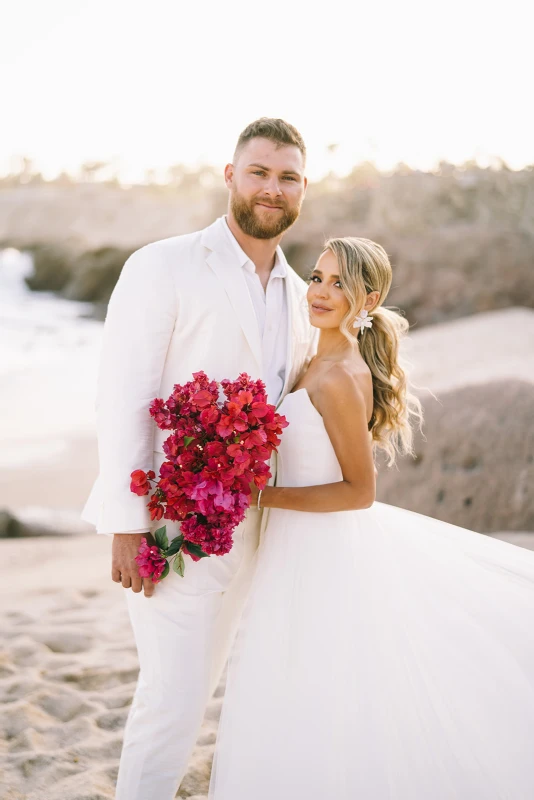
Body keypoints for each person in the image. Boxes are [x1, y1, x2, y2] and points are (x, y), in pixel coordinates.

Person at [208, 237, 534, 800]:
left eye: (340, 283)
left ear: (369, 297)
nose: (321, 292)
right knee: (298, 679)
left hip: (324, 546)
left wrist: (258, 496)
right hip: (299, 541)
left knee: (324, 679)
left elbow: (359, 491)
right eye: (317, 277)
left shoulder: (339, 377)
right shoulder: (316, 358)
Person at [81, 117, 318, 800]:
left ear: (303, 189)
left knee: (204, 688)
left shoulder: (302, 297)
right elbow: (123, 394)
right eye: (260, 173)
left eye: (288, 177)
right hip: (169, 523)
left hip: (254, 529)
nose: (273, 189)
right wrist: (129, 524)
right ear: (230, 176)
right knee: (172, 701)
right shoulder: (164, 264)